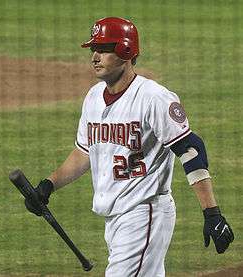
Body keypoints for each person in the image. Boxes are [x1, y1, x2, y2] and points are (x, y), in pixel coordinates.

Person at [25, 17, 234, 277]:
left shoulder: (153, 98)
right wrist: (48, 185)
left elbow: (191, 150)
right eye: (93, 50)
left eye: (102, 49)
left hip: (144, 213)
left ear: (125, 50)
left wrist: (212, 213)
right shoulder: (93, 98)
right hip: (115, 219)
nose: (95, 57)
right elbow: (84, 151)